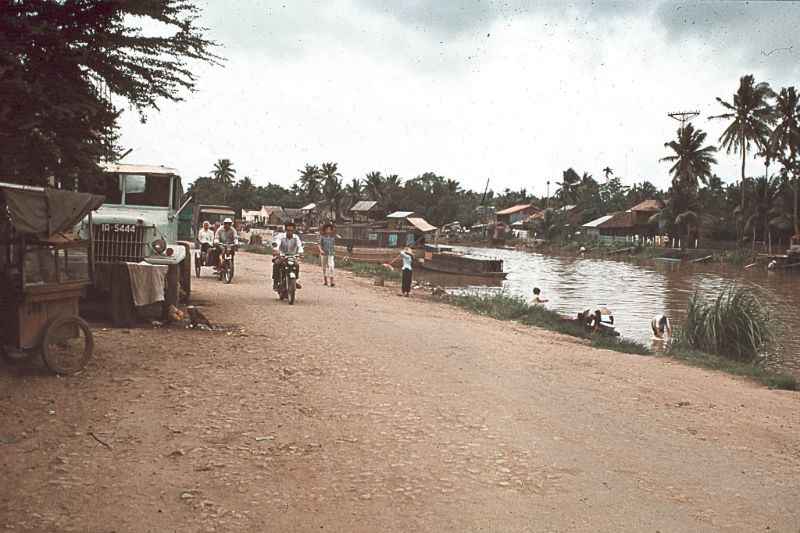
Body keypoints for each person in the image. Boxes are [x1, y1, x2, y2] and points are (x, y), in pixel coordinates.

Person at [273, 221, 304, 290]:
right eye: (288, 230)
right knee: (276, 264)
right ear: (285, 230)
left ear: (294, 230)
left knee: (296, 265)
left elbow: (299, 245)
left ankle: (295, 281)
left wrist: (301, 252)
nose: (290, 232)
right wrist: (276, 250)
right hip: (282, 255)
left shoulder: (296, 237)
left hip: (292, 256)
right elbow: (277, 243)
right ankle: (275, 282)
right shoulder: (281, 236)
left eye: (291, 230)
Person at [317, 222, 337, 287]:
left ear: (331, 230)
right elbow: (319, 244)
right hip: (324, 254)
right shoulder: (322, 237)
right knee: (324, 268)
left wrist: (334, 250)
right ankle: (325, 280)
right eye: (327, 229)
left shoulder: (333, 238)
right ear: (325, 230)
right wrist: (321, 250)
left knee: (331, 267)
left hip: (331, 254)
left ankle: (331, 282)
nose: (328, 231)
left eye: (329, 229)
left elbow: (334, 245)